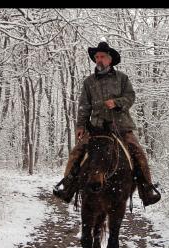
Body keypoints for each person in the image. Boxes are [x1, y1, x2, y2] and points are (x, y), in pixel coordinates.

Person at [55, 40, 161, 206]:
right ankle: (68, 187)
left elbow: (130, 97)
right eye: (96, 57)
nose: (99, 59)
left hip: (121, 127)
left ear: (110, 59)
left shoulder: (122, 79)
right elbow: (84, 106)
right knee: (77, 152)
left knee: (138, 152)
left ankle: (146, 190)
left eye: (102, 56)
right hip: (96, 128)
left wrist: (117, 103)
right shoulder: (88, 82)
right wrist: (81, 126)